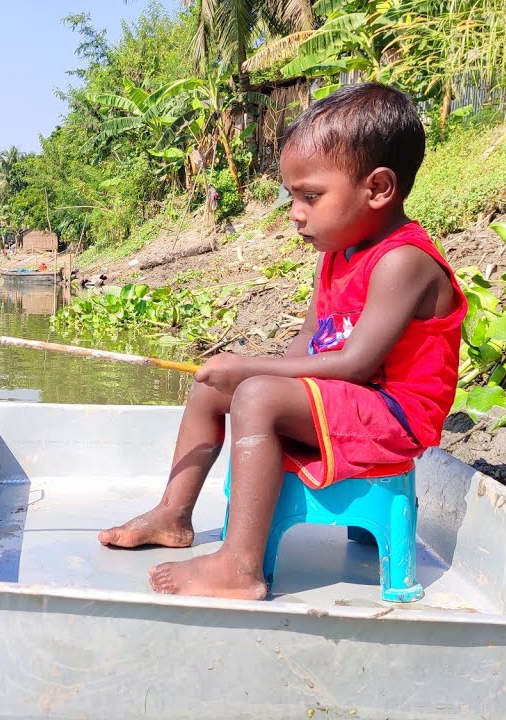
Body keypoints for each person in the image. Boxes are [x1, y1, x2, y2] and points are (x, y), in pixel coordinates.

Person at [97, 82, 467, 601]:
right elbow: (308, 341)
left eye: (310, 196)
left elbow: (357, 363)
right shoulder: (338, 252)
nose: (295, 212)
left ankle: (240, 566)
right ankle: (173, 513)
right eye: (291, 196)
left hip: (393, 416)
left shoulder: (403, 261)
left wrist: (252, 374)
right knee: (213, 389)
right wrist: (244, 372)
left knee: (256, 393)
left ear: (378, 188)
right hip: (349, 400)